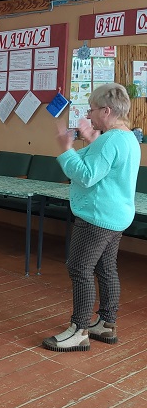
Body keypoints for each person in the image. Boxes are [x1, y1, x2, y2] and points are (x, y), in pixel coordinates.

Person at [42, 83, 141, 352]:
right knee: (106, 268)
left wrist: (65, 148)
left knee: (79, 268)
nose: (88, 114)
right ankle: (106, 324)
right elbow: (104, 164)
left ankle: (79, 330)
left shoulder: (110, 140)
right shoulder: (127, 137)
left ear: (106, 111)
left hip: (97, 217)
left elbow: (86, 175)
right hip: (116, 216)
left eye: (92, 109)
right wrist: (89, 140)